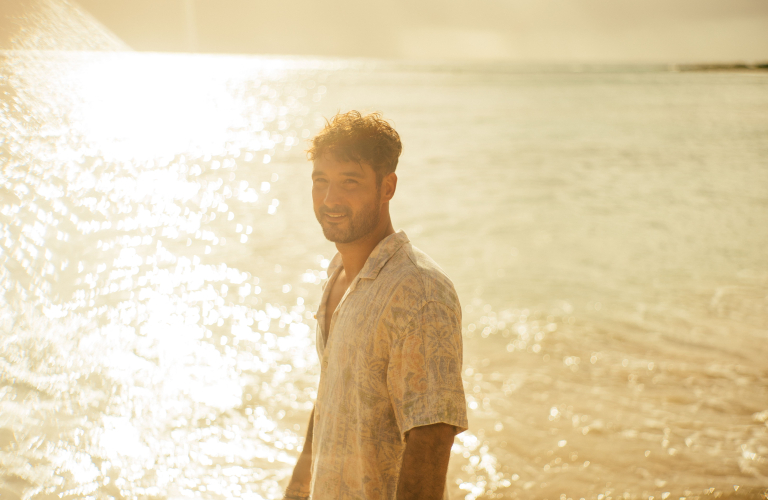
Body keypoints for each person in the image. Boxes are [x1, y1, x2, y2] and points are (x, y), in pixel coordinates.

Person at [283, 111, 468, 500]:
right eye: (321, 181)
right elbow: (332, 397)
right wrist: (298, 488)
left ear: (388, 187)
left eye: (349, 182)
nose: (330, 199)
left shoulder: (419, 292)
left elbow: (431, 440)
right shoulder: (339, 276)